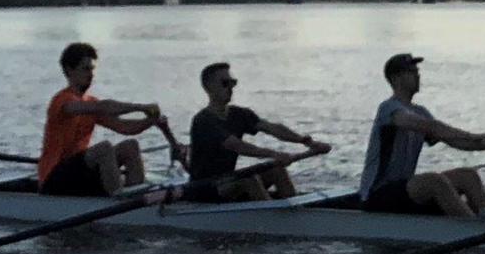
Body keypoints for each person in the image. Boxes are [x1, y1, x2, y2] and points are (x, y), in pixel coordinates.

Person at [358, 54, 485, 217]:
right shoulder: (388, 108)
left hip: (403, 191)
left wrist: (484, 145)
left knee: (468, 176)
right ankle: (473, 230)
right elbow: (432, 127)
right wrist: (473, 135)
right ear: (396, 78)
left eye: (417, 71)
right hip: (377, 195)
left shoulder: (420, 111)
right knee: (434, 181)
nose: (418, 75)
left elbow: (453, 141)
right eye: (411, 71)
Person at [38, 42, 183, 197]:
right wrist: (141, 108)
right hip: (53, 178)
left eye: (92, 69)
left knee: (130, 146)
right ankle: (119, 199)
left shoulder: (91, 102)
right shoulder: (62, 101)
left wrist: (151, 121)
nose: (91, 75)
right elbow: (104, 107)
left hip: (78, 173)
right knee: (104, 148)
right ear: (69, 70)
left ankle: (137, 199)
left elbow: (124, 127)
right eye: (86, 69)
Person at [184, 62, 328, 202]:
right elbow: (237, 146)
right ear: (208, 87)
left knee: (277, 169)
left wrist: (307, 142)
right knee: (249, 179)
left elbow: (272, 128)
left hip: (227, 182)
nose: (230, 88)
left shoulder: (240, 114)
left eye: (232, 83)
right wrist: (274, 154)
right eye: (224, 83)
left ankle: (295, 214)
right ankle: (271, 221)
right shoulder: (203, 120)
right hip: (204, 189)